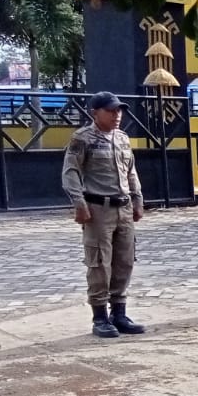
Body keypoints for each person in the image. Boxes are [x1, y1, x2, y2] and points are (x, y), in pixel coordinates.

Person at [62, 91, 147, 339]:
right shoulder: (83, 139)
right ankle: (99, 317)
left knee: (125, 260)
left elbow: (131, 171)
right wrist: (79, 203)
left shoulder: (122, 138)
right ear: (94, 113)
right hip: (97, 208)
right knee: (99, 263)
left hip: (123, 207)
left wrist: (137, 199)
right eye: (110, 111)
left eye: (118, 110)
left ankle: (119, 313)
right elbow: (71, 172)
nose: (116, 115)